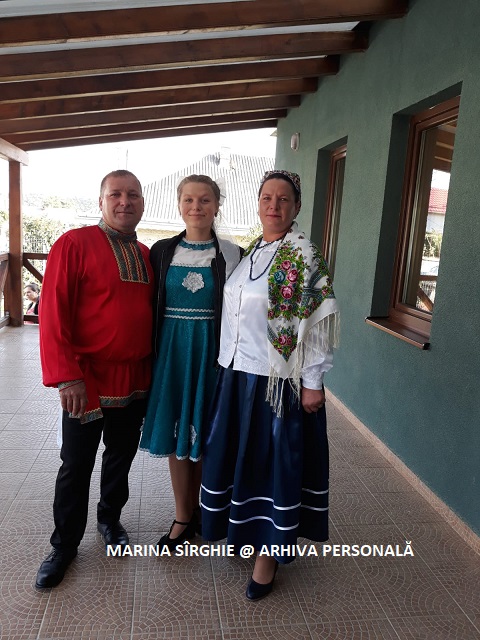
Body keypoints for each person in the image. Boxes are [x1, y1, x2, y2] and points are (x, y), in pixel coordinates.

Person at [201, 170, 340, 600]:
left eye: (283, 199)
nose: (274, 206)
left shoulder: (303, 254)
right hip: (237, 373)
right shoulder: (254, 251)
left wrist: (313, 380)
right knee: (242, 461)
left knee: (269, 465)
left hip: (277, 381)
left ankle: (268, 556)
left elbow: (315, 322)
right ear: (258, 203)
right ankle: (246, 531)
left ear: (296, 207)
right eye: (267, 197)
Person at [35, 170, 154, 589]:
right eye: (115, 194)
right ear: (100, 201)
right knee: (76, 462)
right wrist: (66, 377)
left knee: (121, 455)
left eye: (133, 195)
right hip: (86, 379)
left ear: (143, 203)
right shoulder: (73, 243)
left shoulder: (146, 254)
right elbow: (53, 312)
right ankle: (64, 544)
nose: (125, 201)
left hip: (135, 377)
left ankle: (110, 521)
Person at [140, 174, 242, 549]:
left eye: (205, 200)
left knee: (208, 436)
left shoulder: (234, 254)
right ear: (179, 205)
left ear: (217, 206)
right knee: (178, 435)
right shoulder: (161, 251)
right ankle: (183, 516)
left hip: (213, 356)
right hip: (172, 355)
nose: (196, 207)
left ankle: (207, 510)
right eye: (188, 200)